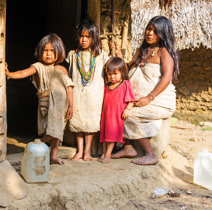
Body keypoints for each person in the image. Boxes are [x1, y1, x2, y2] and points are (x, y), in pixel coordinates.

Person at [112, 16, 179, 165]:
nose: (150, 33)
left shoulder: (163, 52)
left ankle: (150, 154)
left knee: (129, 116)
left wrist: (149, 98)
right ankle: (128, 147)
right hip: (139, 100)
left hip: (159, 101)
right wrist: (120, 57)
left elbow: (167, 77)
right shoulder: (142, 50)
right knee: (118, 110)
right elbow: (128, 70)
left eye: (155, 31)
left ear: (163, 33)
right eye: (149, 29)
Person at [5, 34, 74, 165]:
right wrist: (9, 74)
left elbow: (69, 87)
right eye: (45, 50)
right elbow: (23, 73)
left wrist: (70, 106)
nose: (48, 54)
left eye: (52, 50)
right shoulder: (38, 67)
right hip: (48, 104)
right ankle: (37, 145)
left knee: (58, 132)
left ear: (59, 52)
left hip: (62, 107)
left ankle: (53, 156)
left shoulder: (62, 69)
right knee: (53, 130)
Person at [65, 20, 110, 161]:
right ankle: (79, 151)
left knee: (90, 123)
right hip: (77, 94)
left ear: (94, 38)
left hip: (94, 95)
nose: (83, 40)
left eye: (87, 37)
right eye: (81, 36)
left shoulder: (101, 55)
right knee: (78, 122)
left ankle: (87, 151)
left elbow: (111, 69)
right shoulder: (73, 55)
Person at [98, 57, 135, 163]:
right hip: (106, 115)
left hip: (116, 115)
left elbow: (132, 99)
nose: (112, 76)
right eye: (109, 74)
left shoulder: (125, 84)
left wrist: (127, 109)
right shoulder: (106, 86)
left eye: (115, 73)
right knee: (105, 134)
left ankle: (108, 155)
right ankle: (104, 153)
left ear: (122, 72)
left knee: (111, 135)